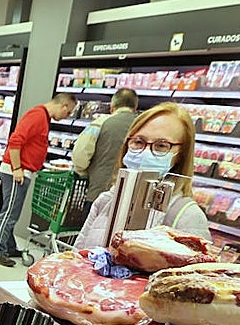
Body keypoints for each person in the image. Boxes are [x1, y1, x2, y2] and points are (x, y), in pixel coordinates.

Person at [74, 102, 210, 248]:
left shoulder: (187, 216)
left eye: (161, 145)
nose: (145, 152)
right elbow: (75, 258)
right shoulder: (105, 201)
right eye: (138, 142)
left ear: (181, 155)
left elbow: (195, 268)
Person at [0, 92, 78, 266]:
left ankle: (9, 246)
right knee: (9, 213)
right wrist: (17, 169)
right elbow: (15, 141)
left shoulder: (44, 117)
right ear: (64, 106)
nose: (67, 116)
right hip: (16, 171)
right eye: (68, 113)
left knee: (13, 212)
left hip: (22, 170)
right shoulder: (37, 115)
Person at [72, 87, 139, 204]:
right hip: (132, 196)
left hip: (100, 191)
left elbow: (80, 156)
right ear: (135, 107)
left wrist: (84, 173)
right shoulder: (143, 125)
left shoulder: (100, 123)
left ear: (112, 106)